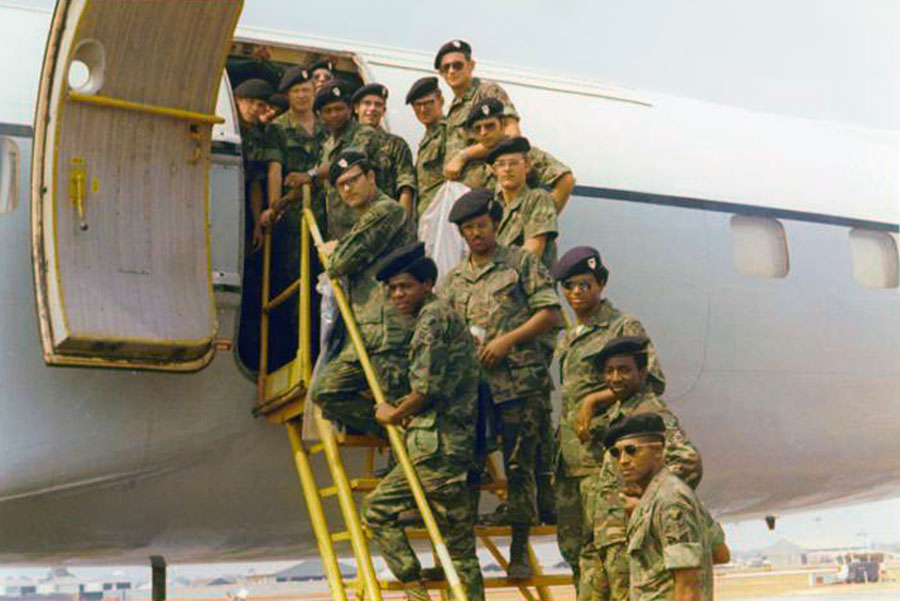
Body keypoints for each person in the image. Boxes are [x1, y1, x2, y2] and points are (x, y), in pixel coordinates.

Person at [441, 188, 561, 580]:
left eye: (482, 226)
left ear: (495, 226)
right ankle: (466, 558)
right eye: (469, 229)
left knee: (520, 465)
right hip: (476, 389)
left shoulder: (520, 263)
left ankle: (519, 553)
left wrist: (507, 340)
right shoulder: (455, 280)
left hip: (520, 383)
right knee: (471, 465)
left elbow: (550, 313)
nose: (476, 234)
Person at [363, 242, 484, 601]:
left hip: (437, 448)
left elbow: (426, 389)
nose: (397, 294)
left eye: (405, 286)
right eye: (393, 288)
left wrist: (394, 413)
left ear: (427, 284)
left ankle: (415, 590)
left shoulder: (431, 319)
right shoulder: (443, 316)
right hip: (453, 444)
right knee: (460, 548)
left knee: (377, 508)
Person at [550, 247, 665, 601]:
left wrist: (595, 400)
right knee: (577, 551)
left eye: (584, 285)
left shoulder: (622, 327)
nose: (576, 294)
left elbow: (654, 381)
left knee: (614, 552)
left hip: (605, 460)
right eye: (569, 287)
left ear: (601, 283)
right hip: (571, 461)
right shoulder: (568, 336)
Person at [476, 135, 558, 528]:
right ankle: (536, 499)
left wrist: (491, 278)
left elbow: (533, 249)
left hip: (528, 322)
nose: (506, 170)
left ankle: (542, 499)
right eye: (500, 165)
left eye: (513, 163)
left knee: (533, 417)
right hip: (503, 324)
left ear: (526, 166)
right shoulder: (495, 206)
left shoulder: (537, 200)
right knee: (519, 420)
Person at [309, 150, 416, 435]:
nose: (347, 188)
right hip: (363, 336)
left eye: (353, 180)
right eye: (341, 184)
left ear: (371, 177)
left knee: (398, 405)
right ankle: (395, 436)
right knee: (325, 391)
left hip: (389, 335)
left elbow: (340, 261)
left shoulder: (387, 211)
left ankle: (407, 449)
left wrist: (335, 250)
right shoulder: (364, 220)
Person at [591, 336, 703, 601]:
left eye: (624, 370)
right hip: (611, 537)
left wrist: (646, 506)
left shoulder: (649, 411)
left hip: (628, 538)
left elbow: (688, 460)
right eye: (609, 372)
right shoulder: (619, 412)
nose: (616, 378)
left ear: (642, 373)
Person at [605, 413, 711, 601]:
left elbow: (688, 586)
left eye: (632, 450)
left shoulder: (670, 500)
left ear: (659, 451)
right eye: (616, 452)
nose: (623, 460)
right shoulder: (652, 499)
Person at [463, 98, 575, 211]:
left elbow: (566, 180)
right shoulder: (476, 162)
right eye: (478, 129)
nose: (484, 133)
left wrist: (542, 218)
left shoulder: (522, 153)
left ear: (502, 125)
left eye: (490, 126)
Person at [233, 78, 275, 372]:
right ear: (238, 100)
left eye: (261, 105)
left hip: (243, 214)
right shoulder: (225, 126)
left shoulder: (256, 136)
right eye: (252, 103)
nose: (256, 109)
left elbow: (257, 182)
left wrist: (257, 223)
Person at [433, 39, 520, 182]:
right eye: (445, 68)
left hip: (487, 189)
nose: (451, 71)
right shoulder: (454, 108)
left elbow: (512, 134)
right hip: (462, 192)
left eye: (457, 65)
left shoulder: (487, 92)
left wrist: (464, 155)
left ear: (471, 66)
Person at [310, 82, 388, 240]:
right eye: (328, 111)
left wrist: (310, 174)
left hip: (365, 226)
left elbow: (345, 163)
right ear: (320, 115)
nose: (334, 115)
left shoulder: (364, 133)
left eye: (339, 109)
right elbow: (318, 181)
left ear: (350, 109)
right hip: (337, 229)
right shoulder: (327, 145)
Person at [351, 83, 417, 214]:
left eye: (378, 104)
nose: (372, 108)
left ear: (384, 110)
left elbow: (406, 186)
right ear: (356, 108)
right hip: (346, 222)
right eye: (367, 103)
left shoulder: (396, 144)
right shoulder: (345, 142)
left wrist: (403, 223)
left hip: (383, 220)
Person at [405, 76, 447, 217]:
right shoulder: (426, 139)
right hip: (427, 217)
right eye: (417, 105)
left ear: (440, 100)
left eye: (428, 103)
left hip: (442, 216)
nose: (423, 109)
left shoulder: (449, 132)